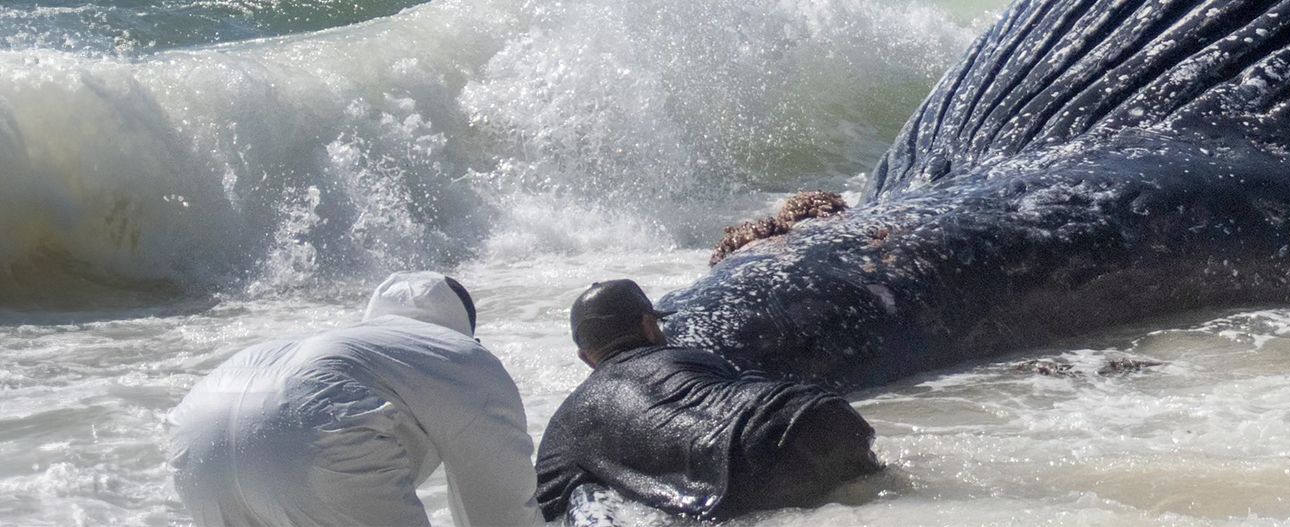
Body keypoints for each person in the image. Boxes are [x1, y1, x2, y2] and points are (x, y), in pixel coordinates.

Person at [166, 271, 543, 527]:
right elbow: (499, 511)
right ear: (467, 333)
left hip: (198, 437)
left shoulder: (352, 346)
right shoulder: (461, 356)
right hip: (310, 430)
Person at [535, 279, 882, 521]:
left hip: (746, 471)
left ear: (585, 357)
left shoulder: (566, 425)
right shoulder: (694, 359)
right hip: (818, 415)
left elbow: (538, 505)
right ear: (649, 326)